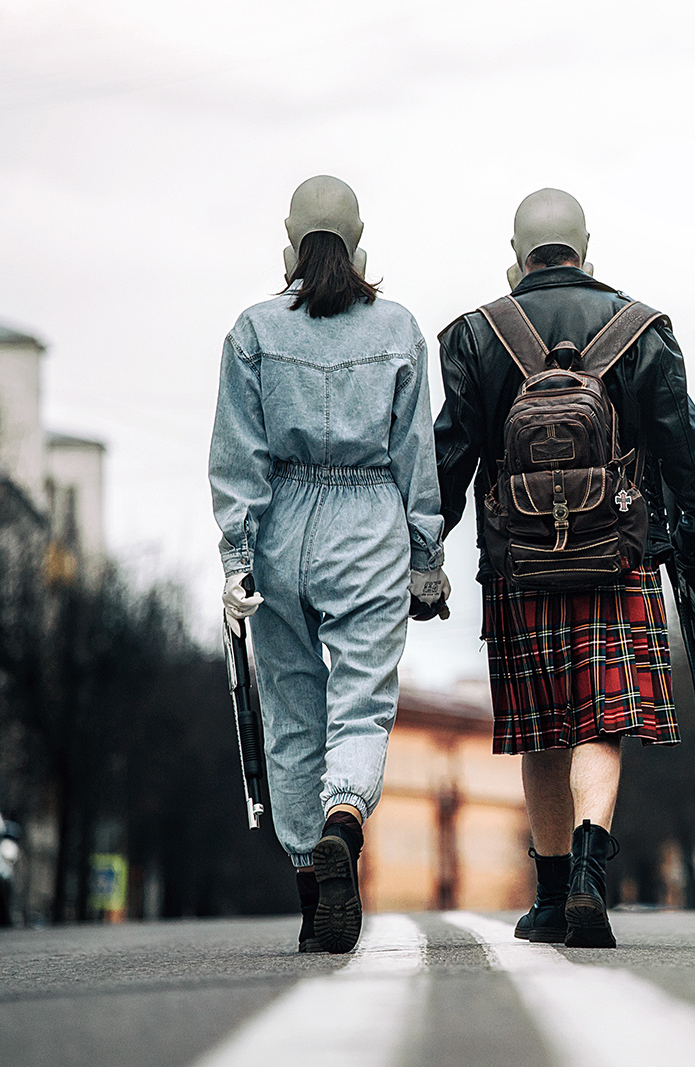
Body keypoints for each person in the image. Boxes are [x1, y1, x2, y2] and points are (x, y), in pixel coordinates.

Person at [434, 188, 695, 948]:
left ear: (517, 257)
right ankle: (593, 872)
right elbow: (685, 443)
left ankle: (553, 895)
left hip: (518, 563)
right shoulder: (643, 328)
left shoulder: (475, 334)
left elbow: (450, 461)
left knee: (541, 728)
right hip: (615, 551)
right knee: (602, 719)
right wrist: (694, 527)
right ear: (588, 254)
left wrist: (424, 548)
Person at [209, 175, 450, 954]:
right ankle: (345, 817)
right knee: (361, 703)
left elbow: (238, 454)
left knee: (291, 709)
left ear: (289, 242)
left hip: (282, 525)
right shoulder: (399, 329)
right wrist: (424, 557)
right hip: (370, 522)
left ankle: (313, 881)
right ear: (359, 240)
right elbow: (416, 454)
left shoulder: (253, 331)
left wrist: (237, 557)